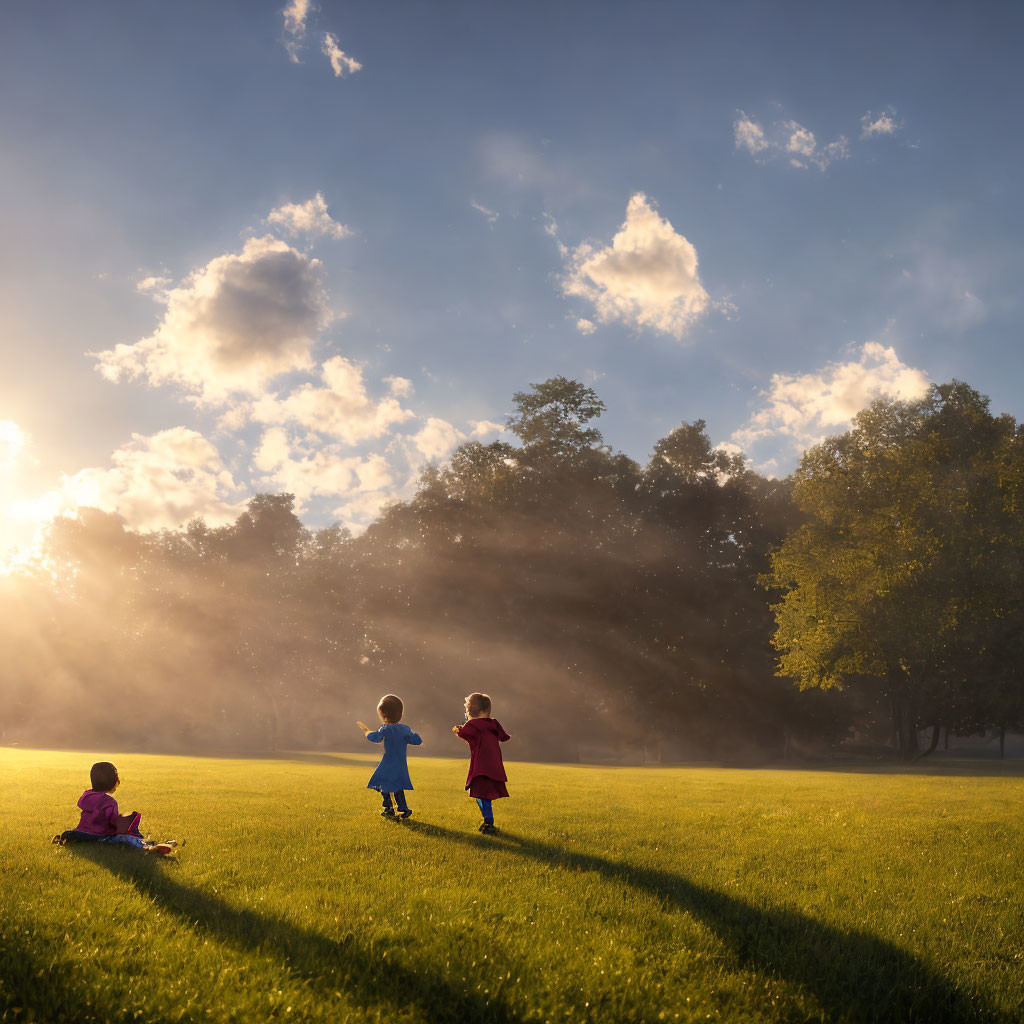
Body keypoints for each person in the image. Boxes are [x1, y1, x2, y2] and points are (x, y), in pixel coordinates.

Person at [52, 761, 176, 855]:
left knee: (69, 834)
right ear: (112, 782)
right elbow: (113, 824)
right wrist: (125, 822)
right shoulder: (109, 801)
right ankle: (149, 847)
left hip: (81, 833)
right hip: (99, 836)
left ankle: (62, 839)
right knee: (126, 838)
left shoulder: (86, 795)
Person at [452, 692, 510, 833]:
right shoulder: (494, 723)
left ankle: (488, 821)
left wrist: (457, 730)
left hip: (481, 766)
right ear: (487, 709)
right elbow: (504, 737)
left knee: (480, 794)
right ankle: (488, 820)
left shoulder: (472, 725)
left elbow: (465, 734)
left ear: (470, 710)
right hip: (494, 766)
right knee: (483, 794)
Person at [357, 695, 422, 819]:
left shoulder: (385, 729)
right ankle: (402, 808)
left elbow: (375, 737)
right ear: (400, 714)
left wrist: (366, 731)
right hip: (400, 765)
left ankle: (389, 808)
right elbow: (416, 740)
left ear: (384, 715)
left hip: (387, 764)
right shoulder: (404, 729)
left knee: (381, 783)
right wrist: (412, 734)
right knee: (397, 787)